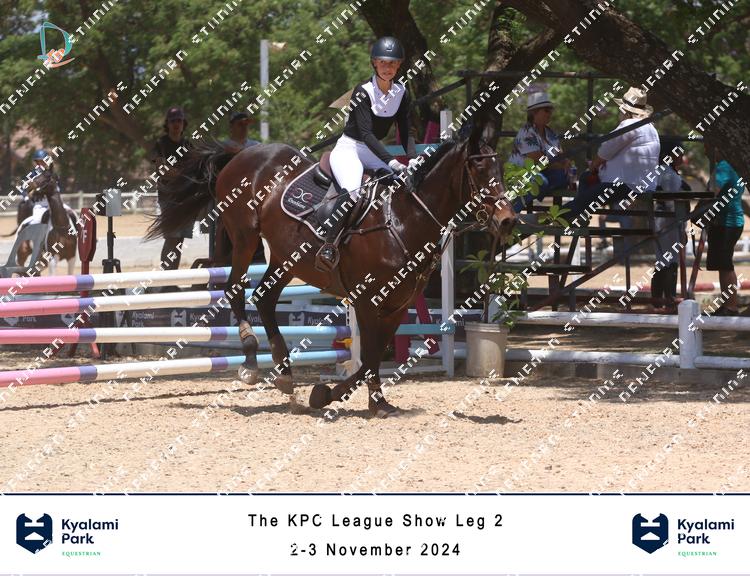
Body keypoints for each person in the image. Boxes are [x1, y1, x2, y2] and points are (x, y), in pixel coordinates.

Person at [315, 36, 417, 271]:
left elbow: (405, 129)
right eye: (383, 62)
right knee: (352, 191)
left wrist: (411, 158)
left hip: (371, 151)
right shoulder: (363, 91)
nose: (388, 68)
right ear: (374, 63)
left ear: (399, 66)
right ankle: (329, 245)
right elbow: (367, 134)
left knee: (401, 183)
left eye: (392, 63)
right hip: (349, 149)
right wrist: (392, 161)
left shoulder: (401, 92)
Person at [566, 87, 660, 225]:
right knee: (588, 193)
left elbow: (604, 151)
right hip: (646, 185)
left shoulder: (628, 124)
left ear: (625, 110)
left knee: (586, 178)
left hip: (626, 184)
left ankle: (562, 216)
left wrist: (593, 166)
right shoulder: (651, 128)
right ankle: (577, 213)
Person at [507, 92, 569, 212]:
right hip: (520, 173)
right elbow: (539, 160)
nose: (550, 113)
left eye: (550, 110)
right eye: (546, 110)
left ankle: (537, 195)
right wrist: (561, 164)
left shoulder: (550, 132)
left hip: (540, 172)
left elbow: (560, 154)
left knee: (562, 178)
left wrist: (565, 162)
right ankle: (512, 209)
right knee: (541, 182)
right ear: (534, 112)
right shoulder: (527, 132)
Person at [704, 142, 746, 316]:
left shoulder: (724, 166)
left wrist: (699, 212)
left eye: (709, 146)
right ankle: (728, 304)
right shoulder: (734, 166)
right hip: (729, 222)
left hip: (726, 223)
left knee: (726, 265)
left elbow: (712, 191)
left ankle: (731, 306)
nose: (707, 151)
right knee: (723, 265)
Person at [151, 106, 193, 270]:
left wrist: (176, 172)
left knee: (180, 240)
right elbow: (162, 170)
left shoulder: (188, 144)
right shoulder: (161, 144)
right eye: (173, 121)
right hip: (168, 198)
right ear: (167, 124)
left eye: (179, 121)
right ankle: (166, 276)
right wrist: (184, 174)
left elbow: (195, 169)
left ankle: (172, 275)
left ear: (184, 123)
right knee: (171, 237)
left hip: (185, 198)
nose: (176, 124)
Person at [652, 137, 690, 311]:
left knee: (662, 259)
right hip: (669, 222)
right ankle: (669, 297)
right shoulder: (669, 175)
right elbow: (672, 203)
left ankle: (658, 298)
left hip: (661, 221)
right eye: (679, 153)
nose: (682, 157)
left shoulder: (661, 172)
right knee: (670, 260)